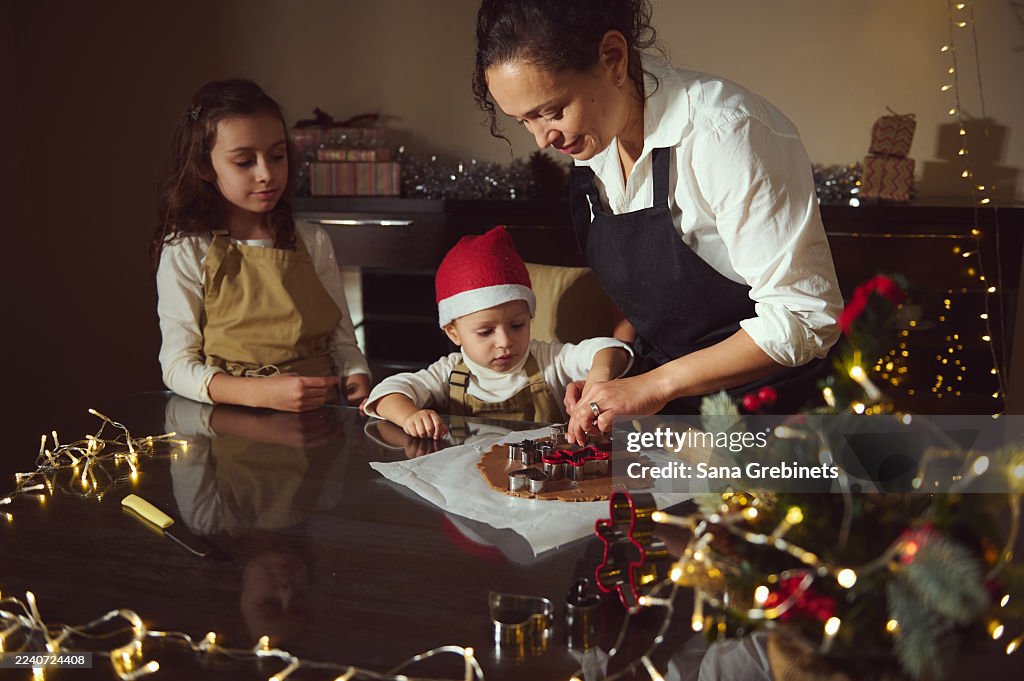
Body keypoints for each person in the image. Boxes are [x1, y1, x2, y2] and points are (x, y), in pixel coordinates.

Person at [472, 0, 843, 441]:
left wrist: (652, 386)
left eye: (553, 111)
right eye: (523, 121)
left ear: (612, 57)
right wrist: (615, 373)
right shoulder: (595, 138)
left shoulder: (726, 131)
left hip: (775, 413)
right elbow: (638, 288)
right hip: (672, 412)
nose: (543, 139)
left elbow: (805, 317)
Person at [153, 79, 370, 412]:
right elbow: (177, 366)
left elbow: (341, 344)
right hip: (229, 428)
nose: (267, 173)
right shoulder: (188, 250)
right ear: (204, 168)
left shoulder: (312, 241)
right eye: (244, 162)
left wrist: (358, 384)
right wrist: (259, 393)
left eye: (277, 156)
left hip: (319, 421)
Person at [363, 226, 633, 438]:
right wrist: (409, 416)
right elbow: (388, 392)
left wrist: (598, 379)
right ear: (453, 333)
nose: (505, 342)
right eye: (485, 332)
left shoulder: (549, 360)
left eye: (517, 325)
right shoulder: (448, 373)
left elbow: (608, 349)